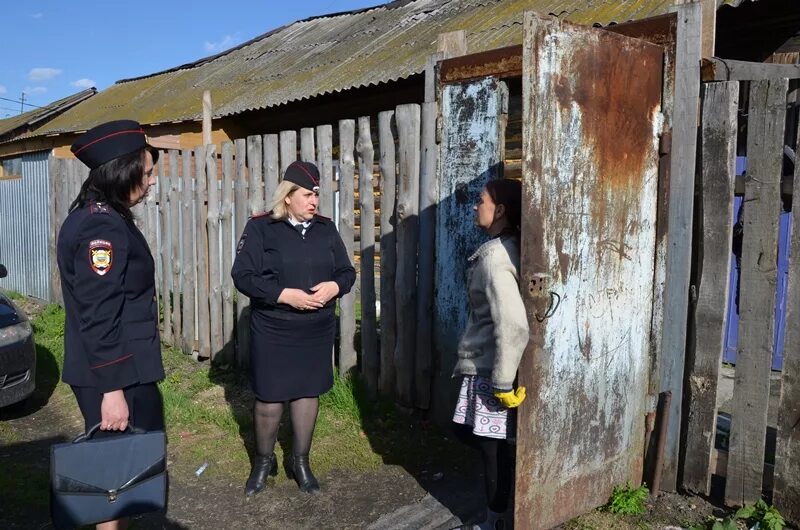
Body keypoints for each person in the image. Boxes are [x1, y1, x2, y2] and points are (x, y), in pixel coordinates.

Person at [57, 120, 165, 530]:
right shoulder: (101, 226)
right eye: (148, 171)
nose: (152, 181)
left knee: (121, 474)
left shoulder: (95, 215)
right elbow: (99, 314)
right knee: (114, 482)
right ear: (124, 170)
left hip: (117, 367)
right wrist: (113, 391)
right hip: (116, 372)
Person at [232, 160, 355, 496]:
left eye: (316, 194)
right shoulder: (261, 228)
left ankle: (299, 460)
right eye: (306, 194)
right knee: (269, 399)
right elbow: (242, 275)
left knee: (306, 393)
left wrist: (336, 287)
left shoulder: (326, 229)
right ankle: (263, 461)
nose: (313, 200)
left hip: (315, 329)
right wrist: (284, 295)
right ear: (287, 196)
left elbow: (347, 271)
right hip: (274, 327)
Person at [451, 178, 529, 530]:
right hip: (485, 364)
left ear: (499, 210)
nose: (473, 206)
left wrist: (500, 382)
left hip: (489, 369)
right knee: (479, 440)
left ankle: (496, 521)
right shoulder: (505, 247)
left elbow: (513, 324)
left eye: (480, 201)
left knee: (491, 449)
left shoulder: (495, 257)